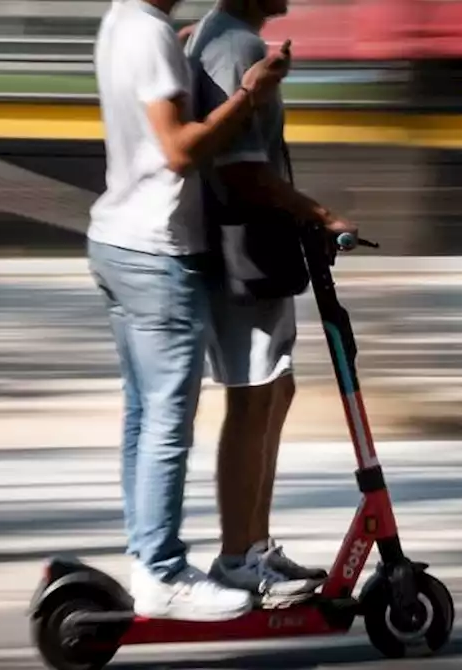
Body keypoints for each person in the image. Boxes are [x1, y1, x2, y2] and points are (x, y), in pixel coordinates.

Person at [85, 0, 291, 622]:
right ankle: (163, 574)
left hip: (116, 240)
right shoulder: (148, 33)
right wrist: (249, 94)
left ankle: (148, 560)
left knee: (143, 417)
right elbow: (179, 150)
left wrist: (174, 50)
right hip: (157, 250)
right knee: (168, 423)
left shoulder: (122, 22)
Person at [185, 0, 357, 607]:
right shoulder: (235, 47)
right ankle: (238, 557)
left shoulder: (219, 36)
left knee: (273, 391)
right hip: (243, 245)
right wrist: (318, 212)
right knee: (253, 396)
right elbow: (242, 173)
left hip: (249, 243)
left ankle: (253, 548)